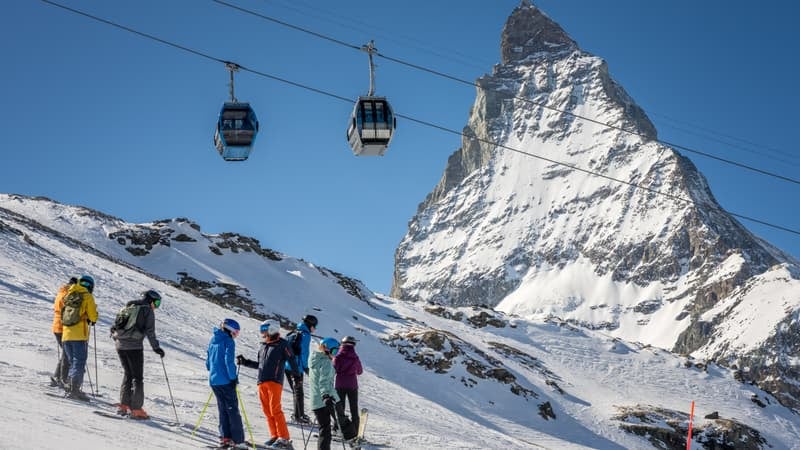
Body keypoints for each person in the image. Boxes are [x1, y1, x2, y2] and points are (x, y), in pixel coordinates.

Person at [238, 320, 299, 449]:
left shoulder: (282, 344)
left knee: (275, 409)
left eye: (264, 328)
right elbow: (260, 365)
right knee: (267, 411)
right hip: (262, 381)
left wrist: (296, 376)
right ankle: (275, 436)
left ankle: (284, 438)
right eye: (262, 329)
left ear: (272, 329)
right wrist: (245, 362)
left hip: (274, 381)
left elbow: (292, 359)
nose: (262, 332)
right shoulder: (263, 346)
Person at [110, 289, 165, 419]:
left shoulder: (129, 306)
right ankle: (136, 409)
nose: (156, 306)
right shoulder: (147, 310)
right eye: (156, 303)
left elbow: (116, 326)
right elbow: (150, 331)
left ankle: (124, 405)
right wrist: (156, 348)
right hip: (134, 346)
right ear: (150, 300)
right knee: (137, 378)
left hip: (120, 345)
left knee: (128, 374)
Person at [207, 318, 247, 449]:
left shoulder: (213, 340)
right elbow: (228, 361)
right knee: (232, 410)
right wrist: (233, 377)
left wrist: (214, 371)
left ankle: (225, 438)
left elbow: (208, 362)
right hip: (225, 381)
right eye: (235, 332)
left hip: (214, 381)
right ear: (229, 330)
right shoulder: (228, 341)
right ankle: (238, 441)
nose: (235, 336)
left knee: (223, 409)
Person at [62, 275, 98, 400]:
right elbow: (93, 316)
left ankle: (70, 386)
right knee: (79, 362)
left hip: (66, 333)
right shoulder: (87, 296)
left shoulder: (69, 294)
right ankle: (74, 390)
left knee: (73, 362)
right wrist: (92, 317)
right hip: (79, 335)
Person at [309, 338, 340, 450]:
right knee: (326, 430)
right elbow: (325, 383)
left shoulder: (314, 359)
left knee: (324, 428)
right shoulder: (326, 362)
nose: (336, 354)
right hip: (323, 400)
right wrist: (330, 397)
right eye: (335, 351)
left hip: (314, 400)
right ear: (327, 349)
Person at [285, 314, 317, 424]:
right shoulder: (305, 335)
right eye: (314, 326)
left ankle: (297, 415)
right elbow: (304, 353)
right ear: (310, 325)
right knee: (299, 392)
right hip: (297, 368)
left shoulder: (293, 332)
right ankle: (299, 416)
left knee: (296, 391)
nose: (315, 328)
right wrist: (306, 368)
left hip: (287, 366)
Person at [50, 276, 78, 388]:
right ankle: (62, 379)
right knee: (67, 354)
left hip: (56, 326)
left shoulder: (61, 292)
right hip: (63, 327)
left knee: (65, 354)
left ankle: (58, 377)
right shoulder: (69, 295)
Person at [333, 336, 363, 433]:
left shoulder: (338, 357)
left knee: (340, 408)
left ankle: (338, 429)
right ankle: (355, 431)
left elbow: (333, 370)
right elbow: (359, 371)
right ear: (353, 345)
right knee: (354, 409)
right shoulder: (355, 357)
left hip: (340, 385)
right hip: (352, 385)